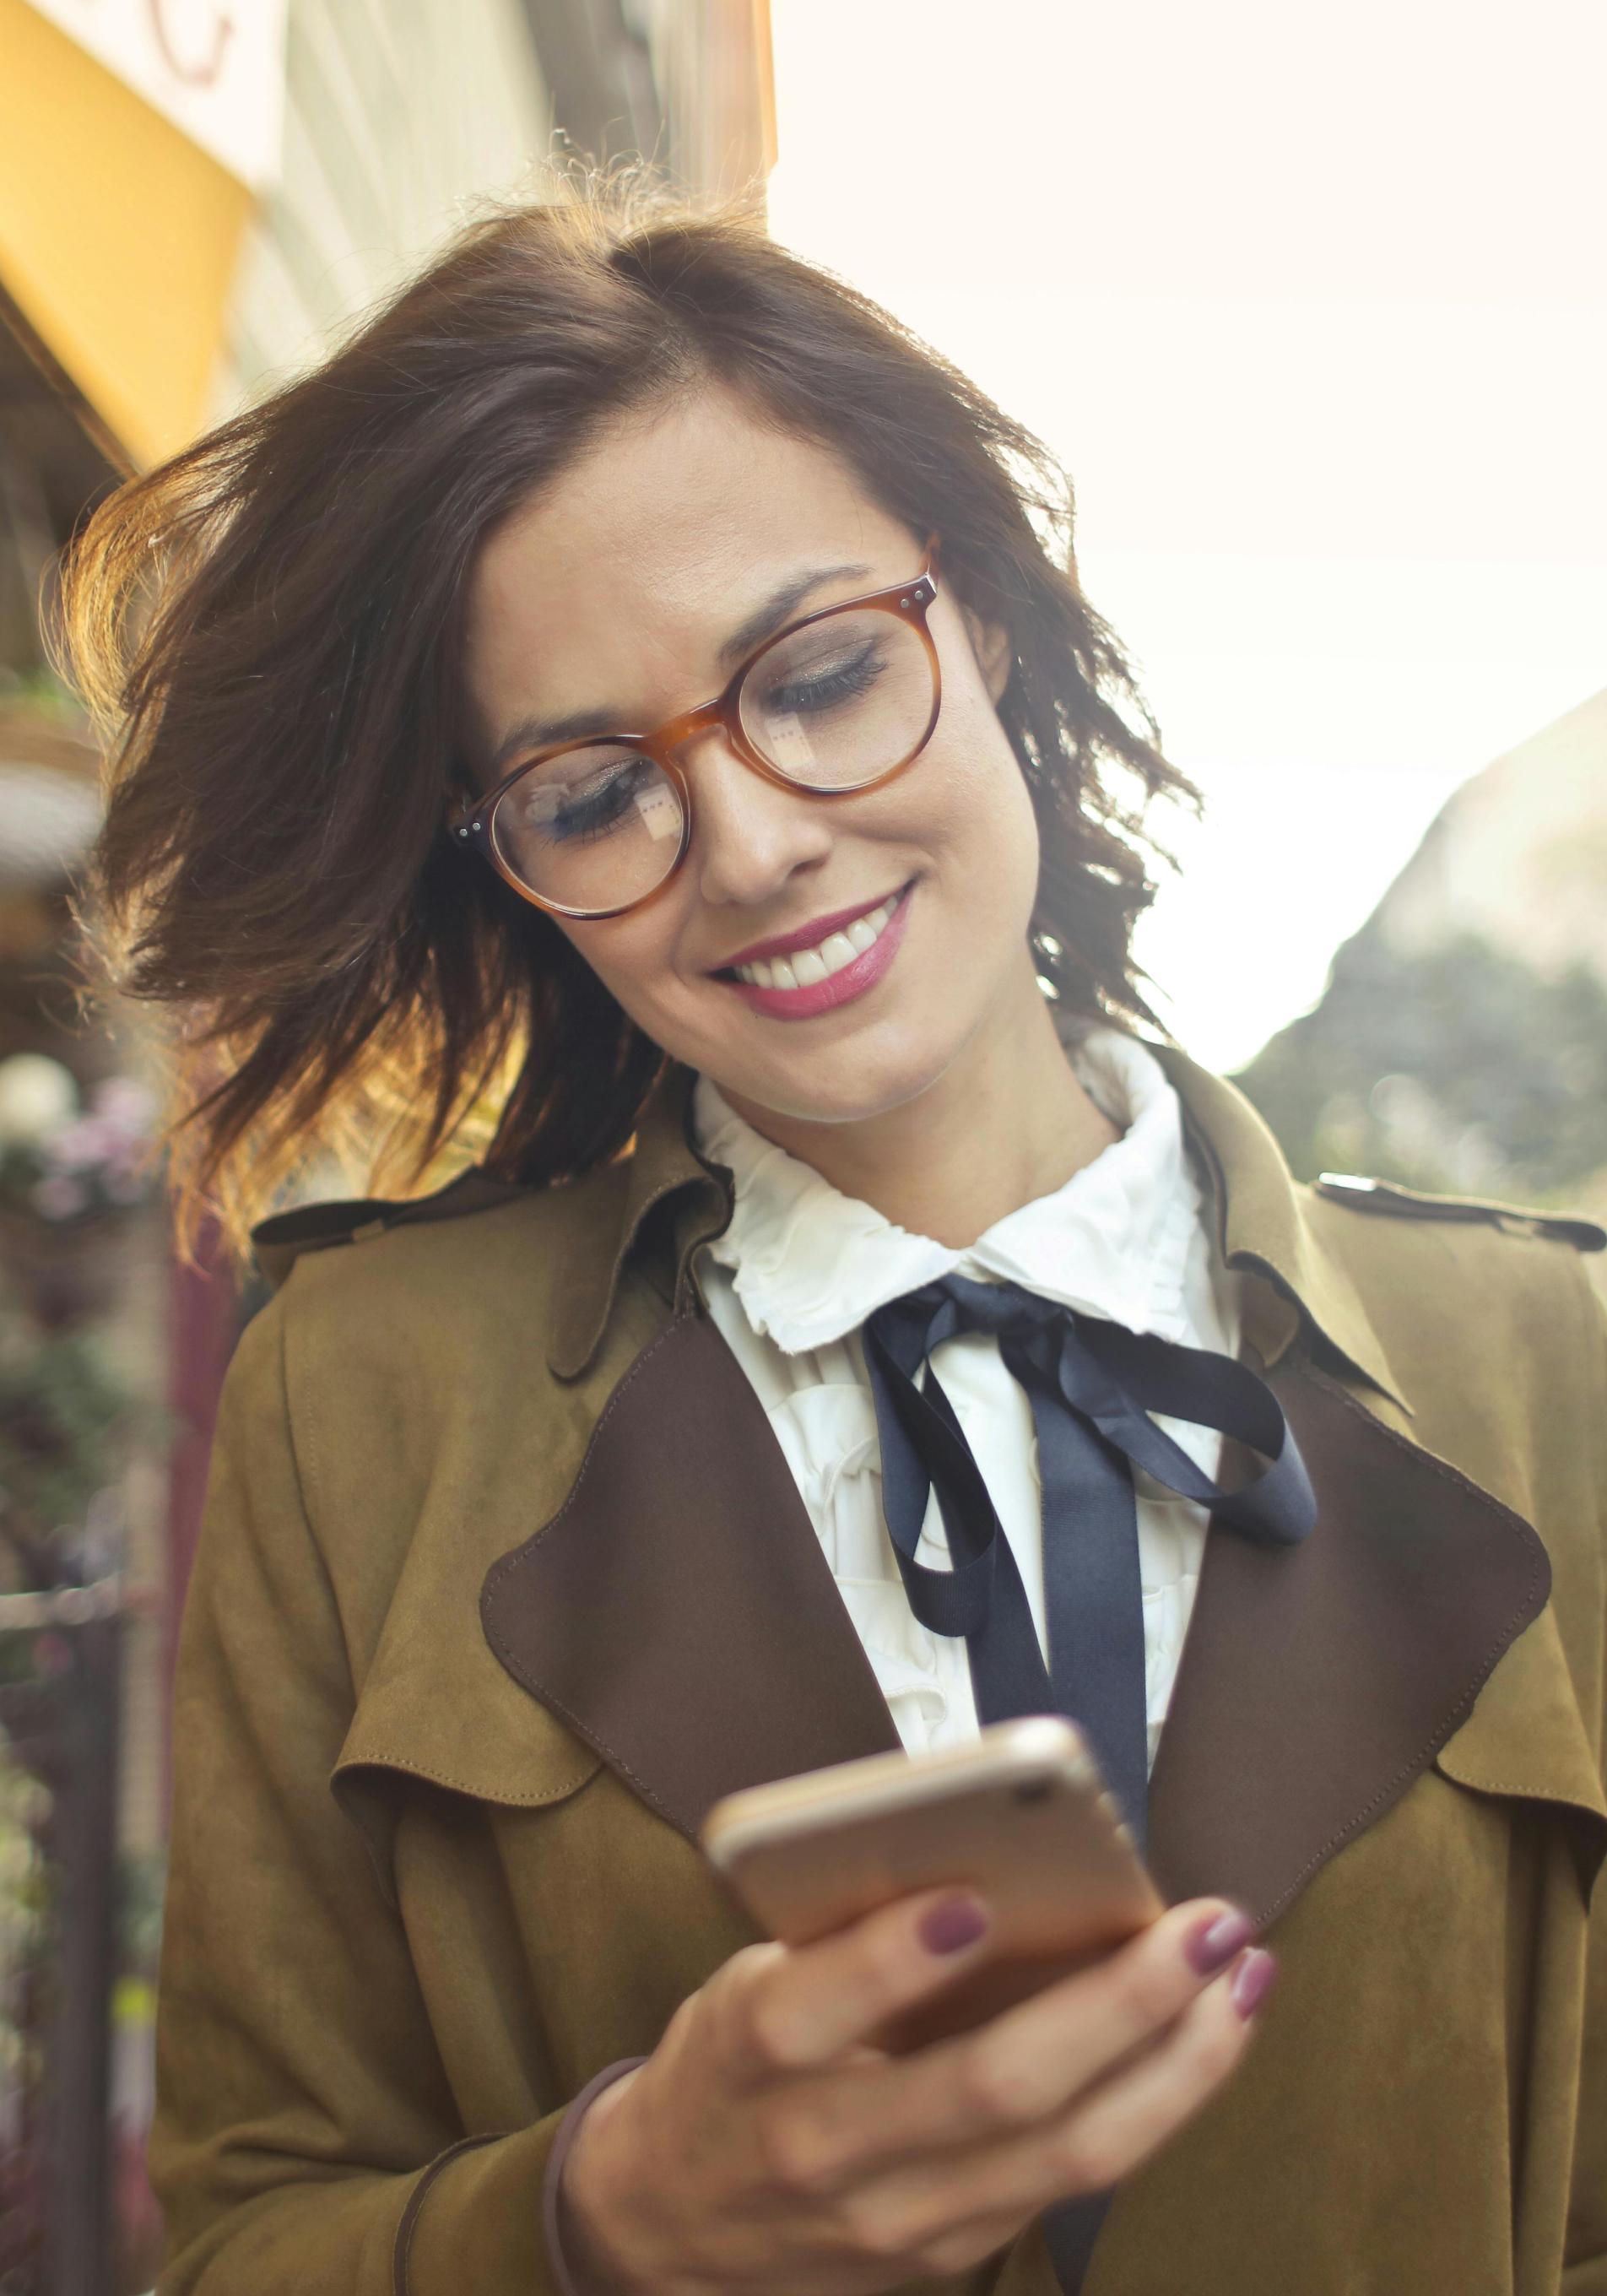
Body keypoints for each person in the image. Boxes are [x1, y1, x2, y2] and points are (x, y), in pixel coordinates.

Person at [58, 185, 1606, 2296]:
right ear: (508, 865)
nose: (757, 839)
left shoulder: (1552, 1355)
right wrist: (609, 2215)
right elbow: (243, 2236)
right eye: (593, 793)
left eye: (816, 672)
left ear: (972, 614)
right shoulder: (366, 1394)